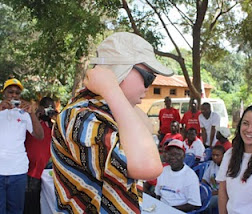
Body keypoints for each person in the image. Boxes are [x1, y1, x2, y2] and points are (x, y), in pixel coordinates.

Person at [51, 32, 173, 213]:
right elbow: (150, 166)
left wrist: (115, 93)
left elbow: (145, 127)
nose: (147, 87)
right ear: (120, 71)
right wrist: (112, 88)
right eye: (148, 78)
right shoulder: (82, 117)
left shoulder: (111, 109)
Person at [0, 78, 44, 214]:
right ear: (4, 93)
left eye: (17, 93)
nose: (14, 95)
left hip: (18, 170)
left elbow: (39, 135)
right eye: (10, 92)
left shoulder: (24, 113)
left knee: (16, 210)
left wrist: (31, 113)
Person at [24, 97, 57, 214]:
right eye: (47, 107)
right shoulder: (33, 122)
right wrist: (36, 116)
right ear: (41, 108)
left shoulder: (54, 127)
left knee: (40, 205)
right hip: (28, 172)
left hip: (44, 174)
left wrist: (56, 117)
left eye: (52, 107)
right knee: (27, 205)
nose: (50, 110)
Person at [155, 139, 201, 212]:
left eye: (177, 154)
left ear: (183, 156)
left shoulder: (190, 176)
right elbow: (158, 194)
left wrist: (169, 209)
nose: (172, 157)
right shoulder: (163, 171)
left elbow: (193, 204)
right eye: (170, 154)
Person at [201, 145, 225, 214]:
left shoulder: (227, 168)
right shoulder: (212, 164)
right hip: (210, 191)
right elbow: (204, 180)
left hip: (221, 195)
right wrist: (204, 190)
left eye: (217, 155)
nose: (214, 157)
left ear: (223, 156)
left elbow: (227, 190)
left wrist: (213, 193)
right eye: (213, 155)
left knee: (208, 204)